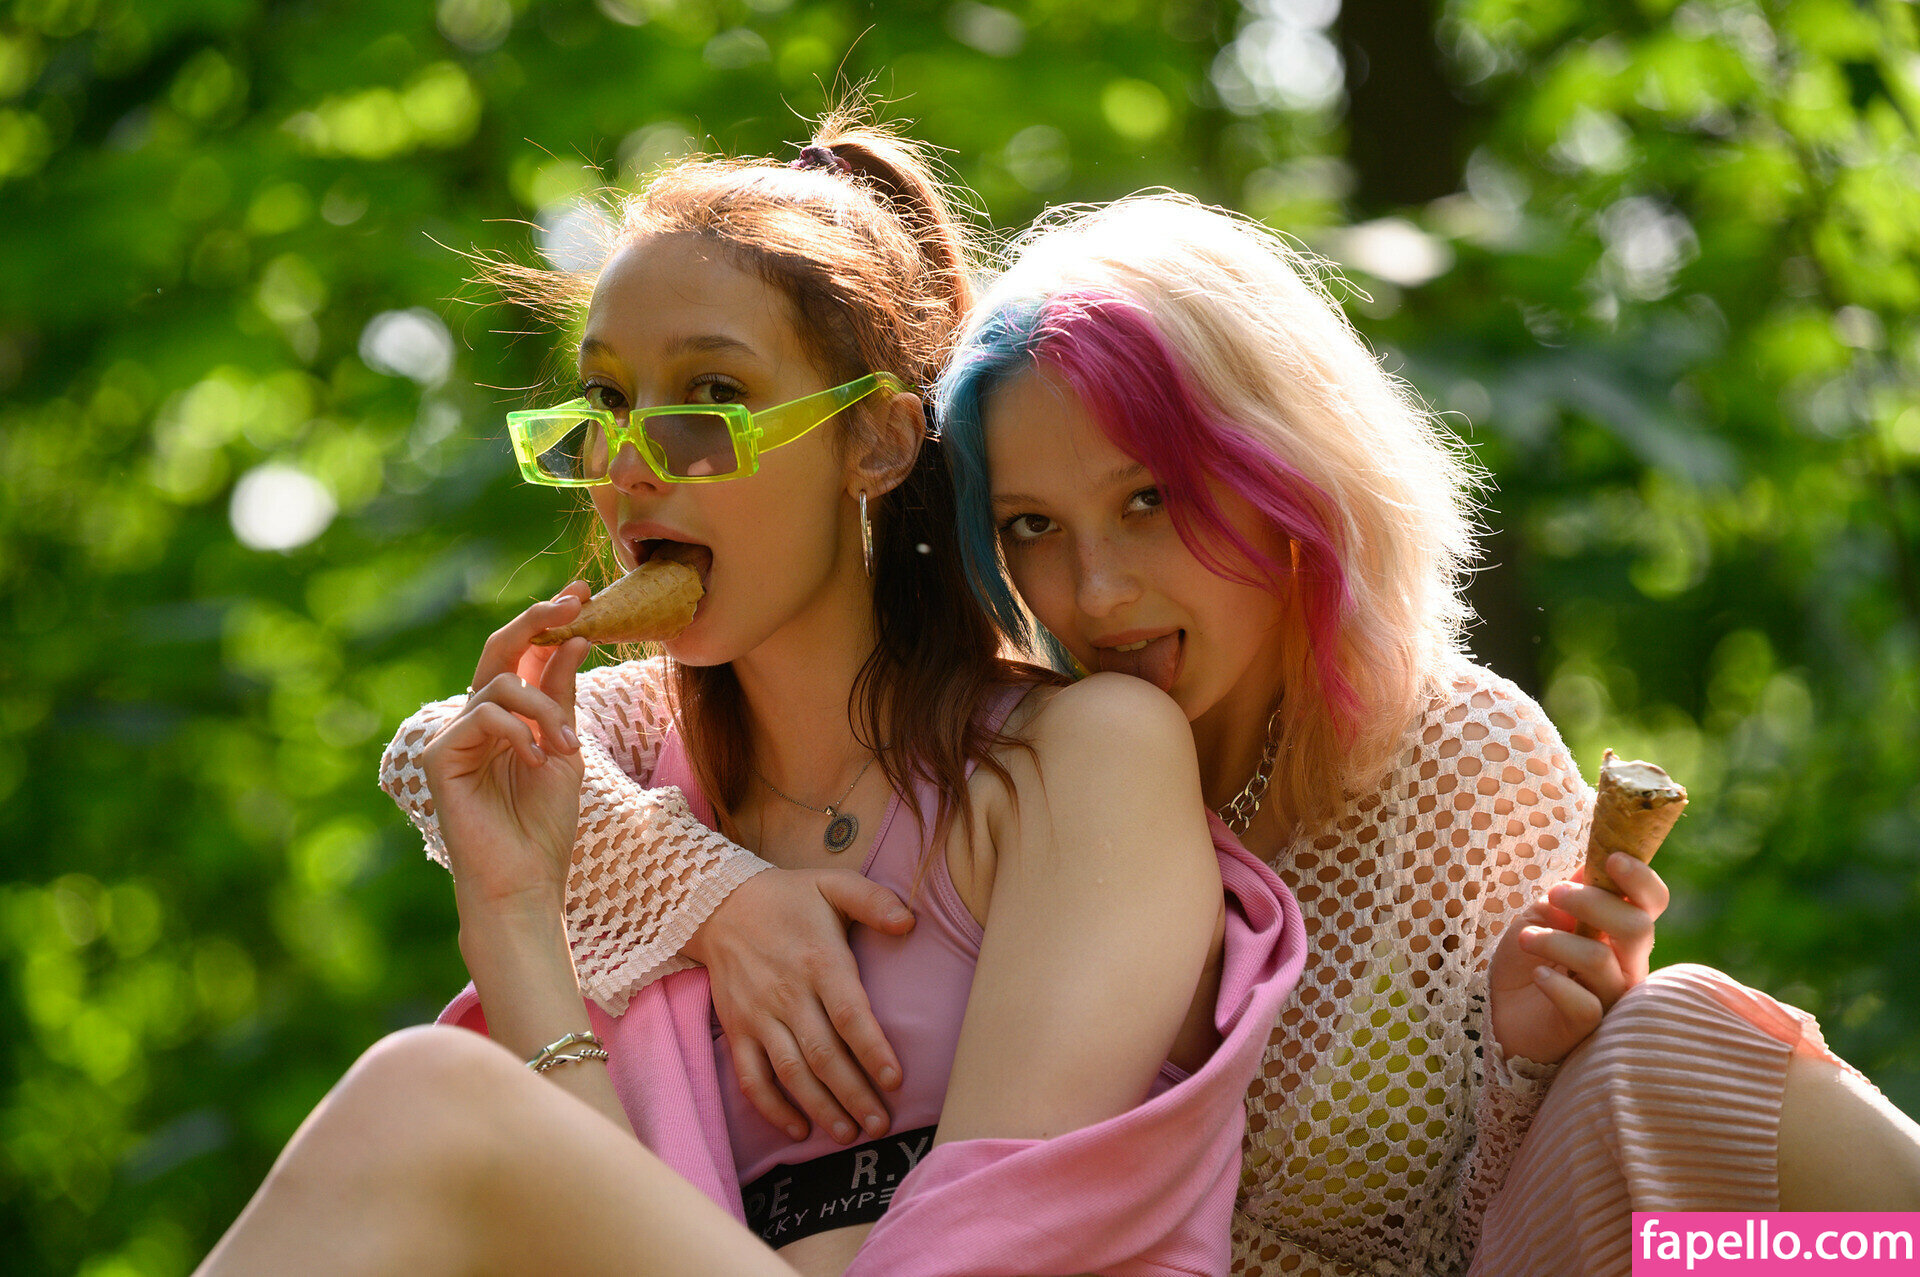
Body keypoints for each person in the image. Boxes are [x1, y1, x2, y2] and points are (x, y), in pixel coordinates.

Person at [195, 125, 1303, 1277]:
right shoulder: (639, 806)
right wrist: (518, 912)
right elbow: (577, 1229)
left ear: (876, 442)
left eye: (711, 394)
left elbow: (1004, 1233)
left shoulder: (1082, 755)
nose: (630, 462)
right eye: (606, 399)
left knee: (425, 1093)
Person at [930, 192, 1920, 1275]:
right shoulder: (995, 782)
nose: (1095, 590)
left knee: (1675, 1041)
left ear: (1285, 474)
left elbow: (1521, 1224)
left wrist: (1528, 1059)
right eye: (1032, 525)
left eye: (1148, 499)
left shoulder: (1458, 763)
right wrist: (773, 899)